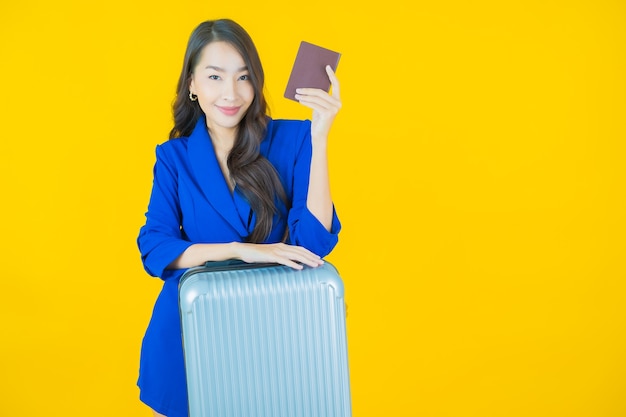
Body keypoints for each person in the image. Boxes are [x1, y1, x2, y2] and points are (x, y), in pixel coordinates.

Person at [136, 19, 342, 417]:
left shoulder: (295, 138)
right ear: (192, 84)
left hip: (274, 330)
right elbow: (154, 246)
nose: (231, 93)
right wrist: (240, 251)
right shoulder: (173, 157)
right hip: (189, 331)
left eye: (243, 77)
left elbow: (313, 245)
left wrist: (320, 139)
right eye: (215, 76)